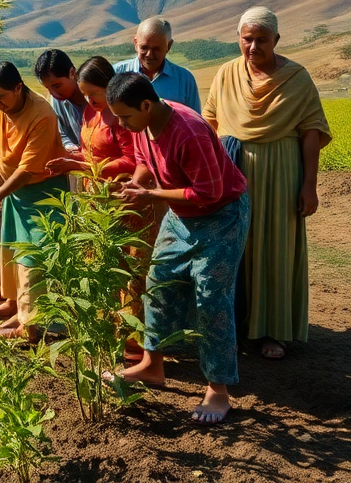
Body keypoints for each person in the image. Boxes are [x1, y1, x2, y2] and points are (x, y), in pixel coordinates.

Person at [107, 72, 249, 425]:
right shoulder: (143, 125)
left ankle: (218, 390)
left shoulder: (189, 130)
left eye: (124, 116)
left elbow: (210, 193)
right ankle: (151, 365)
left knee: (210, 298)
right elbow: (143, 162)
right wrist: (134, 186)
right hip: (181, 215)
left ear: (146, 104)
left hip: (221, 215)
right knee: (158, 283)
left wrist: (151, 195)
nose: (121, 124)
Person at [203, 7, 332, 360]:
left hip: (280, 173)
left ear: (276, 40)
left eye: (262, 39)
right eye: (247, 38)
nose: (253, 45)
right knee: (232, 246)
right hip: (233, 172)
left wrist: (309, 185)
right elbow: (210, 125)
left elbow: (311, 133)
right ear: (238, 38)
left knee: (276, 248)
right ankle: (235, 323)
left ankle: (273, 330)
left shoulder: (296, 78)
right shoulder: (227, 73)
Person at [46, 56, 153, 358]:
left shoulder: (121, 115)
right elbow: (87, 150)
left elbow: (133, 160)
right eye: (86, 94)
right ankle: (108, 330)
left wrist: (87, 165)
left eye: (94, 93)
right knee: (103, 264)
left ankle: (134, 342)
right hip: (98, 200)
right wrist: (74, 161)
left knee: (131, 269)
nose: (90, 99)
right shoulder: (91, 115)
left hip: (125, 200)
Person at [0, 61, 68, 338]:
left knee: (34, 259)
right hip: (12, 191)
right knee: (15, 253)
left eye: (0, 96)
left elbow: (29, 168)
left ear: (18, 87)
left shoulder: (42, 114)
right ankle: (21, 310)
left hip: (43, 192)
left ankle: (32, 326)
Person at [113, 18, 202, 114]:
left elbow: (195, 121)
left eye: (156, 49)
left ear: (168, 46)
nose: (149, 55)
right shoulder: (116, 73)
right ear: (135, 43)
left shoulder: (184, 80)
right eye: (144, 47)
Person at [35, 48, 88, 152]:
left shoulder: (95, 95)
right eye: (48, 88)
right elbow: (63, 133)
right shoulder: (57, 99)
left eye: (56, 86)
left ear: (72, 73)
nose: (52, 93)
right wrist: (70, 147)